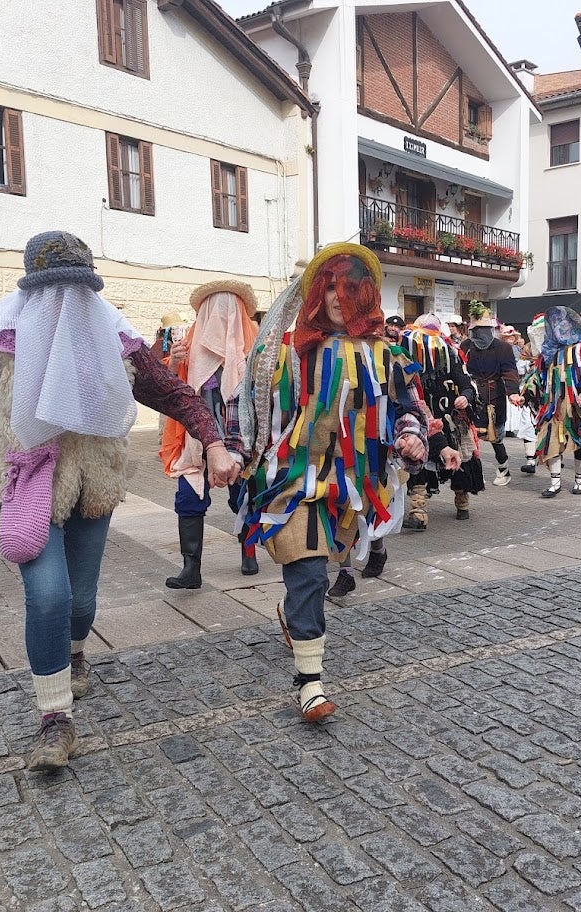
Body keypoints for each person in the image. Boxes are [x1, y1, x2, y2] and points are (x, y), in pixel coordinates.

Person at [0, 231, 237, 771]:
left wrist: (212, 442)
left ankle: (73, 652)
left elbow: (174, 393)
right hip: (27, 477)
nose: (64, 301)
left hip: (95, 481)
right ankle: (54, 719)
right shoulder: (3, 336)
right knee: (48, 593)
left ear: (90, 289)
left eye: (75, 288)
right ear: (31, 290)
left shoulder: (115, 339)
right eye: (52, 290)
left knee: (82, 601)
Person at [229, 243, 427, 722]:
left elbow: (408, 408)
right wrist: (233, 451)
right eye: (332, 285)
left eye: (352, 286)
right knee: (311, 572)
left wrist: (413, 437)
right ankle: (310, 684)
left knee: (316, 577)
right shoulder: (286, 352)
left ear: (367, 294)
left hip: (351, 489)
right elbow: (246, 406)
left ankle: (293, 612)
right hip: (292, 483)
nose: (341, 295)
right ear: (318, 291)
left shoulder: (388, 355)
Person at [159, 280, 260, 588]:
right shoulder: (187, 347)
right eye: (214, 306)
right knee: (188, 497)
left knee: (242, 497)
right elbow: (165, 386)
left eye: (228, 306)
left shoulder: (254, 348)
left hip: (237, 440)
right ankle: (191, 569)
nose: (221, 314)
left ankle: (249, 550)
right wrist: (174, 362)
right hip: (195, 440)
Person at [522, 307, 581, 496]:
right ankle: (555, 483)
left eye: (564, 326)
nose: (560, 330)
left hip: (577, 405)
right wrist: (524, 396)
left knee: (578, 442)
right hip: (554, 405)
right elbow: (536, 377)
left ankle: (579, 482)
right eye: (556, 326)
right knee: (551, 442)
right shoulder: (549, 353)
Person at [400, 313, 476, 528]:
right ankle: (418, 510)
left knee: (459, 461)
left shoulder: (449, 355)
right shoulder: (407, 358)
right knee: (418, 463)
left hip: (447, 418)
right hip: (419, 418)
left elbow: (466, 383)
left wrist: (465, 397)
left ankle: (462, 500)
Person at [461, 302, 521, 486]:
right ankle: (473, 473)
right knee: (469, 435)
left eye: (485, 329)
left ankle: (504, 469)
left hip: (494, 396)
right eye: (477, 329)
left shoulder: (503, 348)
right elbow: (459, 371)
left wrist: (513, 393)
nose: (481, 332)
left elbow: (510, 371)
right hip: (471, 395)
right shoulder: (465, 346)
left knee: (496, 437)